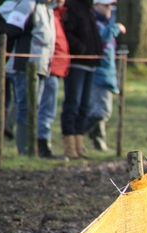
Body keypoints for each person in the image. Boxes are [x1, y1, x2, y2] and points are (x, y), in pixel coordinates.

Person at [0, 0, 55, 156]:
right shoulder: (28, 4)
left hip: (42, 67)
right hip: (24, 66)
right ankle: (24, 149)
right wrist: (5, 59)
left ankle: (31, 147)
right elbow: (11, 30)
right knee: (25, 107)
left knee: (34, 108)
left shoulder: (47, 8)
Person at [60, 0, 103, 159]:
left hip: (90, 64)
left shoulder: (87, 8)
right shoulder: (72, 7)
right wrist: (81, 50)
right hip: (77, 64)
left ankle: (79, 146)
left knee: (85, 106)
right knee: (73, 104)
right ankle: (69, 147)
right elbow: (68, 33)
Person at [86, 0, 126, 152]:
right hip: (99, 74)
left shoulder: (104, 23)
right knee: (102, 111)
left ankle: (99, 143)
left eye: (110, 5)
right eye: (106, 5)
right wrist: (115, 28)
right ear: (95, 6)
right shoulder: (96, 24)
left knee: (99, 110)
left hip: (106, 74)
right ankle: (78, 132)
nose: (109, 9)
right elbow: (101, 39)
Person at [36, 0, 69, 159]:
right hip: (49, 67)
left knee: (47, 109)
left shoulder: (55, 15)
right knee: (45, 110)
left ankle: (42, 144)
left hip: (55, 68)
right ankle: (42, 147)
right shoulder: (44, 12)